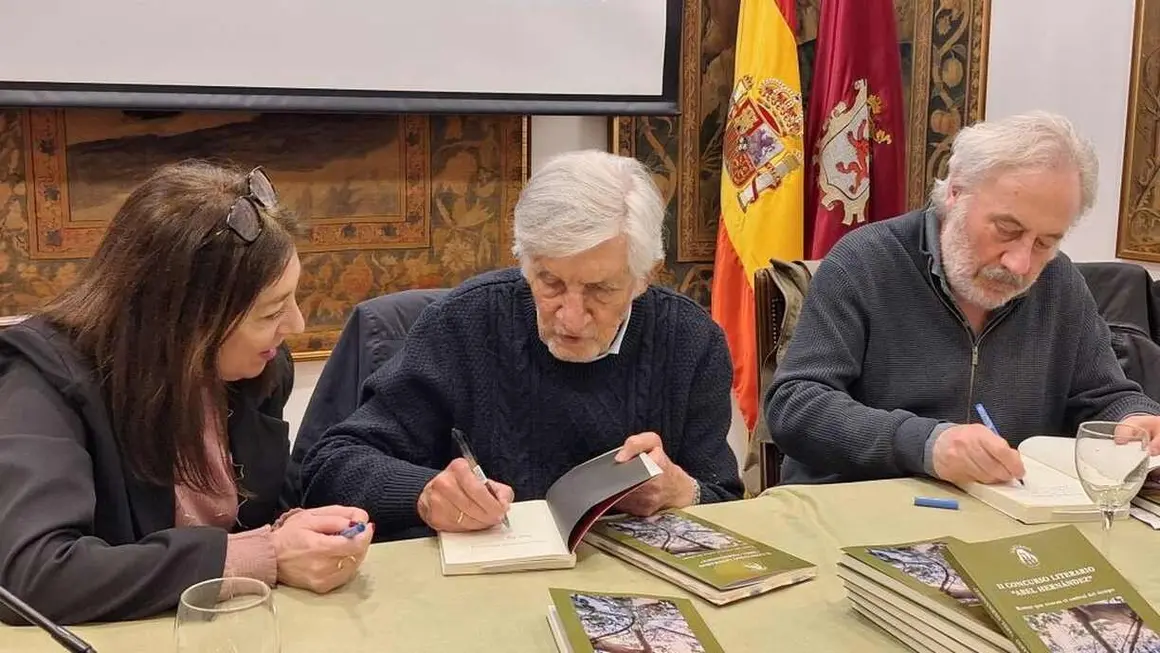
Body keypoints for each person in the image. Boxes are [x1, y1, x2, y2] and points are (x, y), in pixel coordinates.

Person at [0, 161, 373, 626]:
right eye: (270, 311)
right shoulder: (43, 379)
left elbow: (256, 514)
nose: (295, 326)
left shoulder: (261, 369)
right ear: (185, 320)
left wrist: (297, 534)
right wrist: (259, 556)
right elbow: (34, 574)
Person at [299, 150, 743, 540]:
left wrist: (684, 491)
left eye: (600, 290)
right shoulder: (463, 323)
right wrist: (424, 493)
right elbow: (331, 467)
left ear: (645, 276)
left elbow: (726, 498)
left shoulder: (691, 340)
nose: (570, 316)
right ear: (525, 263)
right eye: (550, 282)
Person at [765, 111, 1160, 486]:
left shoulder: (1059, 283)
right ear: (955, 192)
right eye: (1006, 229)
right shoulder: (865, 262)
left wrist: (1134, 419)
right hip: (861, 511)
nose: (1020, 264)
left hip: (1006, 517)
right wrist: (925, 444)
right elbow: (797, 406)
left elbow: (1103, 395)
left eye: (1045, 242)